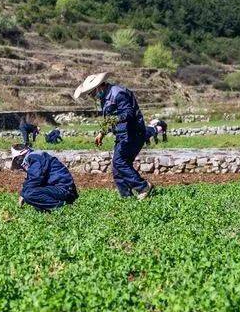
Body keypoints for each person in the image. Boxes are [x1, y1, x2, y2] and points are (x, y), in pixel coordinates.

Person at [73, 72, 154, 200]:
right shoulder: (105, 98)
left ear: (99, 86)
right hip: (122, 134)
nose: (93, 96)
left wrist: (114, 120)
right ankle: (126, 197)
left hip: (133, 133)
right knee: (117, 167)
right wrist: (102, 133)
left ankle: (143, 186)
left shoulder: (118, 93)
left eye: (92, 93)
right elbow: (109, 118)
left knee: (120, 162)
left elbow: (128, 113)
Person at [10, 144, 78, 212]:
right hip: (64, 188)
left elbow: (35, 179)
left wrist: (23, 194)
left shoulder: (35, 157)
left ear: (22, 154)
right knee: (34, 199)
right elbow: (33, 179)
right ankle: (56, 208)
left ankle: (63, 208)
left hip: (64, 189)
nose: (19, 164)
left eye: (18, 160)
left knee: (29, 194)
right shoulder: (36, 156)